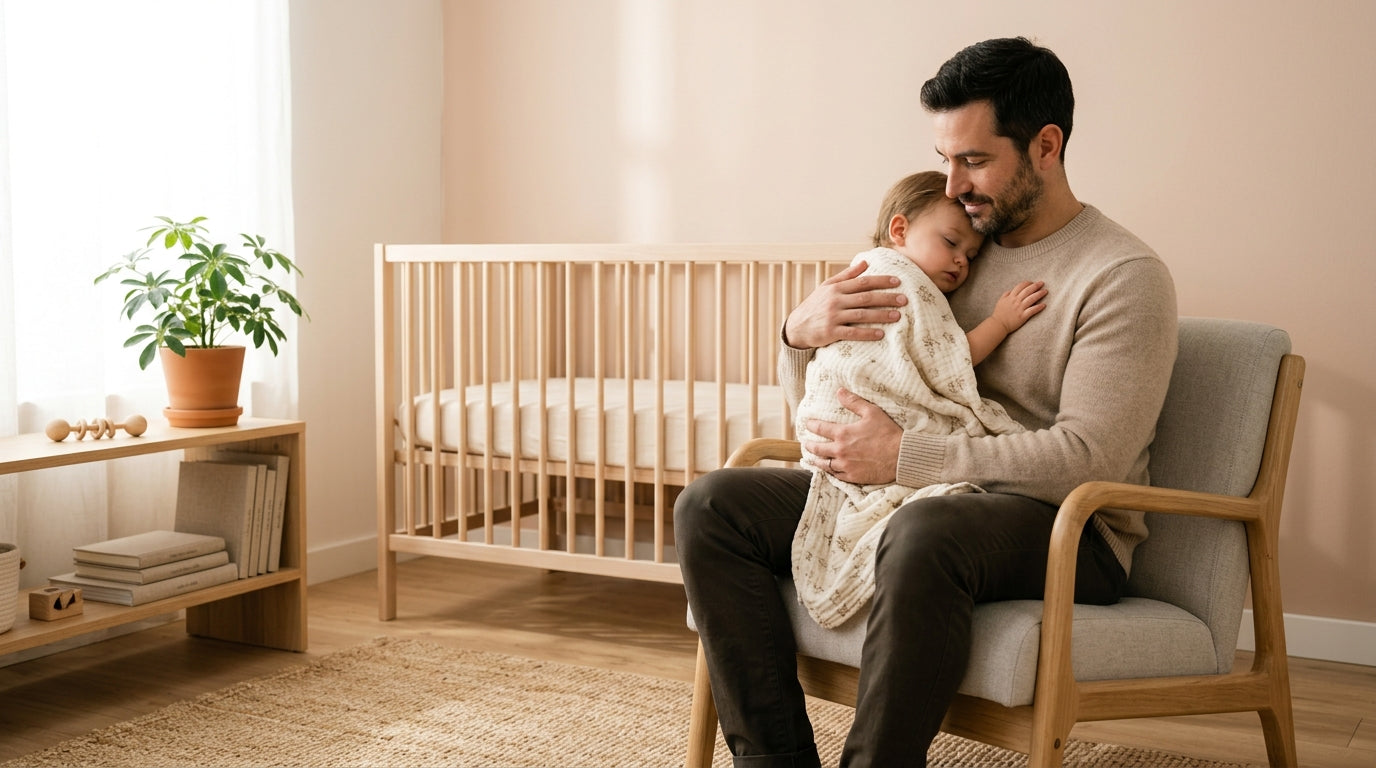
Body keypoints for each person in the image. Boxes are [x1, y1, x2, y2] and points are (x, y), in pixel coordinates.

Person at [675, 36, 1177, 768]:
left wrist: (902, 457)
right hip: (910, 490)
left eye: (974, 160)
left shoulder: (1121, 275)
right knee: (711, 506)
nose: (955, 182)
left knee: (928, 528)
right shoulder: (944, 252)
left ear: (1045, 146)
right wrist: (797, 336)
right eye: (945, 159)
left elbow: (1087, 459)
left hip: (1065, 526)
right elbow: (839, 395)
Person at [791, 169, 1046, 629]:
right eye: (951, 242)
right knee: (711, 502)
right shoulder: (895, 280)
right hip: (840, 431)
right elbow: (949, 362)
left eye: (970, 254)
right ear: (900, 230)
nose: (962, 263)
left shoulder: (894, 277)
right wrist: (1001, 323)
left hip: (852, 449)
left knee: (920, 529)